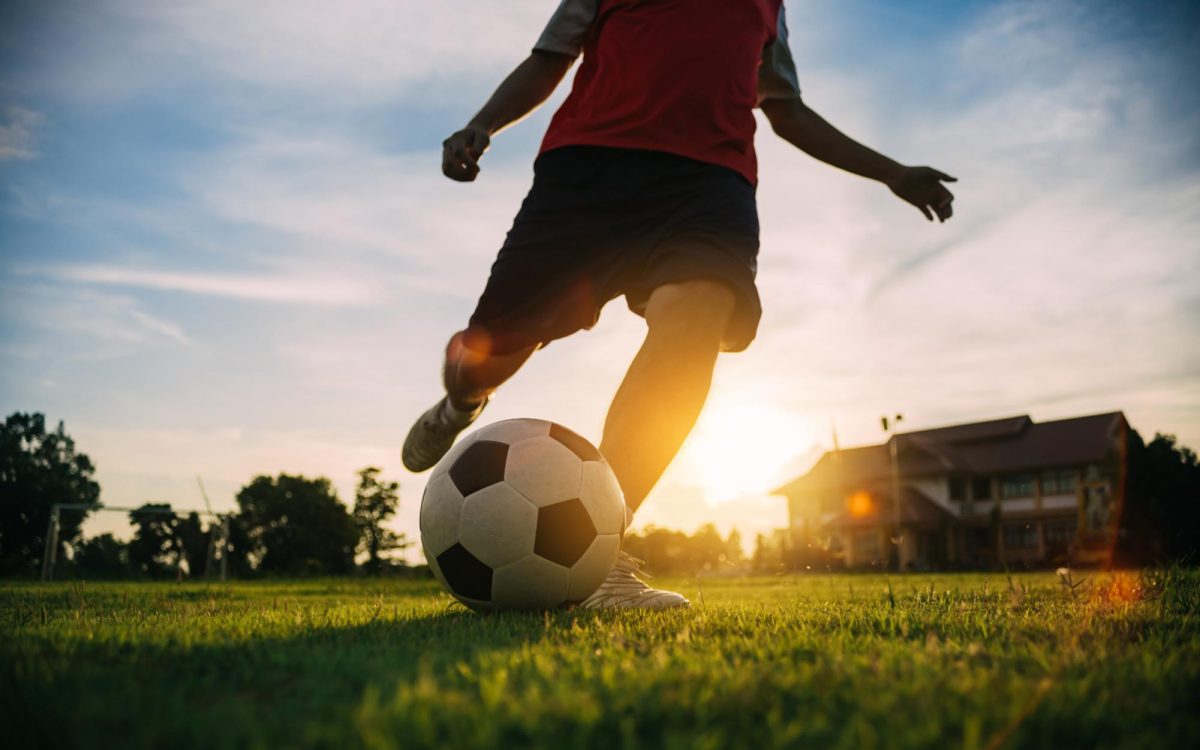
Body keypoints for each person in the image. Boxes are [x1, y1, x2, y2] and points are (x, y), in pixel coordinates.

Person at [404, 0, 956, 608]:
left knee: (695, 325)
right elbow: (547, 60)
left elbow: (787, 110)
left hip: (708, 188)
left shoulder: (768, 7)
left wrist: (892, 172)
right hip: (588, 174)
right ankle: (460, 402)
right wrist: (483, 123)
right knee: (486, 354)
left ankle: (599, 558)